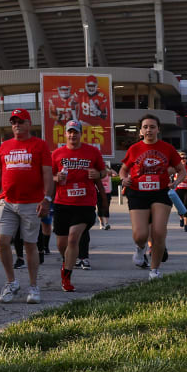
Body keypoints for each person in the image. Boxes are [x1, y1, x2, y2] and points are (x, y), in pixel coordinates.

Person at [0, 109, 52, 304]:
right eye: (13, 122)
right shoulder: (5, 146)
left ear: (29, 124)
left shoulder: (40, 145)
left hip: (31, 204)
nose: (16, 125)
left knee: (30, 244)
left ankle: (33, 286)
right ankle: (11, 283)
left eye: (20, 121)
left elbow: (47, 175)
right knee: (2, 241)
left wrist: (47, 199)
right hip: (7, 202)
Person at [121, 113, 182, 279]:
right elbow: (123, 170)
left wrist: (175, 183)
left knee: (159, 232)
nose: (149, 130)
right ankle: (140, 249)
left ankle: (154, 270)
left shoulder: (167, 148)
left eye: (152, 127)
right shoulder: (134, 149)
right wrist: (123, 179)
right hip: (137, 193)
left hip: (160, 192)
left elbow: (181, 170)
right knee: (140, 235)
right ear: (141, 131)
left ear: (158, 129)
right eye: (145, 127)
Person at [52, 120, 105, 292]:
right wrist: (56, 178)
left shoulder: (92, 152)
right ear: (65, 134)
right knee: (62, 244)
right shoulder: (57, 154)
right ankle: (66, 262)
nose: (72, 135)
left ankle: (66, 278)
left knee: (73, 237)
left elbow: (103, 172)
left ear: (81, 134)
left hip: (85, 203)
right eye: (70, 132)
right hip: (62, 202)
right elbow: (49, 176)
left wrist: (98, 173)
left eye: (76, 132)